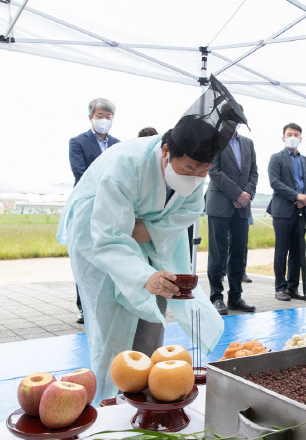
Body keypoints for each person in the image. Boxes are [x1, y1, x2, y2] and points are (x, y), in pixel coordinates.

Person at [57, 76, 245, 403]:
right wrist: (142, 271)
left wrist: (146, 232)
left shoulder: (195, 175)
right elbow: (111, 236)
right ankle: (110, 399)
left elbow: (185, 214)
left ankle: (146, 387)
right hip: (96, 228)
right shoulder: (124, 165)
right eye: (188, 168)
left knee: (158, 294)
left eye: (203, 172)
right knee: (111, 310)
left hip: (148, 229)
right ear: (166, 150)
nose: (194, 178)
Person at [69, 98, 121, 324]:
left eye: (108, 117)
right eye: (100, 116)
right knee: (85, 256)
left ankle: (107, 303)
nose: (104, 120)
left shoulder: (118, 144)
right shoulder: (77, 142)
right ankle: (84, 307)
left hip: (112, 206)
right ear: (91, 117)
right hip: (87, 205)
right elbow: (80, 173)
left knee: (108, 254)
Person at [206, 122, 258, 315]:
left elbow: (254, 172)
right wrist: (237, 194)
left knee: (238, 253)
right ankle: (216, 297)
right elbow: (214, 171)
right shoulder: (214, 140)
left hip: (242, 207)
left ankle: (235, 297)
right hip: (220, 204)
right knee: (217, 253)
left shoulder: (248, 143)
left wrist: (246, 195)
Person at [267, 123, 306, 301]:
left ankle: (292, 287)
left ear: (301, 138)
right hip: (282, 210)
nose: (293, 137)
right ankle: (280, 287)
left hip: (301, 211)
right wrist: (296, 196)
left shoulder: (305, 160)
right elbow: (275, 182)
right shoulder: (276, 158)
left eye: (296, 134)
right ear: (283, 137)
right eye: (289, 134)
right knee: (282, 250)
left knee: (297, 250)